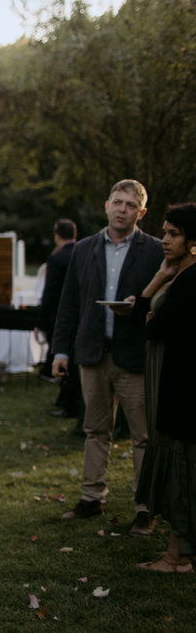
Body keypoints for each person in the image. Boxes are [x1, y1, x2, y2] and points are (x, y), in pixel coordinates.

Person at [51, 179, 162, 533]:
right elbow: (68, 304)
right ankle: (91, 499)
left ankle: (145, 507)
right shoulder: (83, 249)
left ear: (141, 213)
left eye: (130, 205)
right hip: (92, 353)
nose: (122, 209)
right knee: (95, 429)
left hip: (135, 355)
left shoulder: (156, 251)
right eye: (117, 202)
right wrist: (60, 350)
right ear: (106, 205)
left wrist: (142, 305)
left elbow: (168, 301)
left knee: (143, 436)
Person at [129, 203, 196, 572]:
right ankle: (176, 551)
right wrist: (159, 277)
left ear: (193, 240)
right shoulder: (178, 275)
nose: (166, 240)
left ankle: (178, 556)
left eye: (174, 233)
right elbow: (142, 315)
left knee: (182, 468)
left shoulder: (192, 280)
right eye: (165, 232)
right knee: (178, 464)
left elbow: (157, 326)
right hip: (168, 378)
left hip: (181, 384)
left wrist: (155, 318)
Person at [35, 219, 82, 419]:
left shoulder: (57, 258)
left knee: (63, 360)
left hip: (60, 317)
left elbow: (50, 293)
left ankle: (69, 405)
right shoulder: (81, 252)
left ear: (56, 235)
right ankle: (65, 399)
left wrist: (41, 321)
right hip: (81, 316)